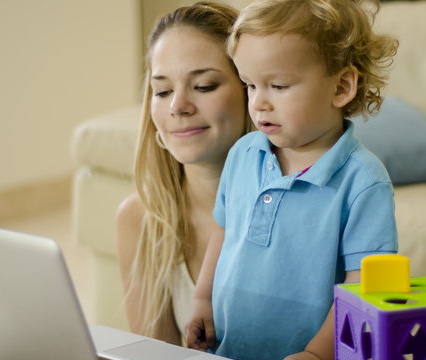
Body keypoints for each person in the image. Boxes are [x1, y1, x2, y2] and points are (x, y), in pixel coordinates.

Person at [185, 0, 399, 359]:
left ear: (341, 86)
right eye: (250, 85)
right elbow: (224, 231)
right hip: (228, 348)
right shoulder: (243, 153)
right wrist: (202, 298)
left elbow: (363, 287)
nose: (258, 104)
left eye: (278, 86)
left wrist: (317, 353)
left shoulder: (363, 181)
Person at [115, 2, 253, 346]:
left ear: (252, 90)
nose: (178, 106)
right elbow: (153, 353)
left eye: (204, 86)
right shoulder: (140, 218)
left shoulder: (302, 211)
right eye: (162, 91)